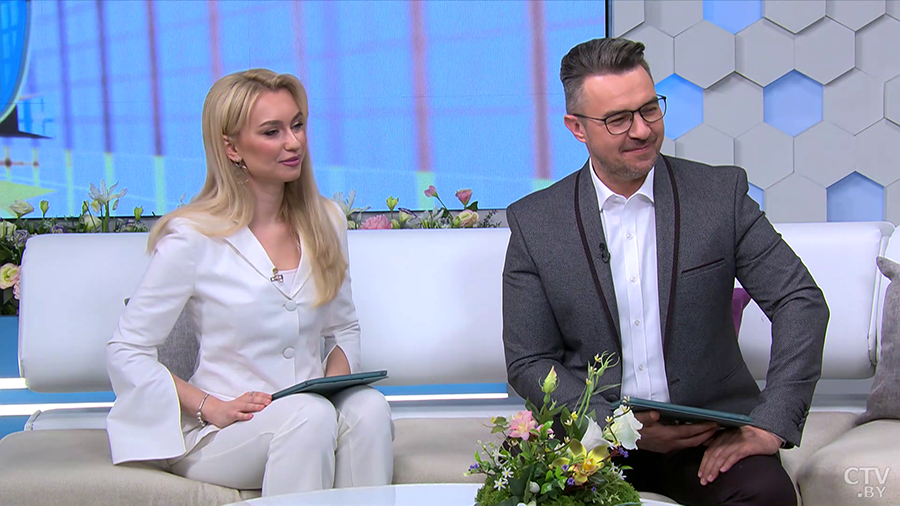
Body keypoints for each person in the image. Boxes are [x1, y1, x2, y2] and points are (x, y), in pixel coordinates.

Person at [502, 38, 828, 506]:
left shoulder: (719, 196)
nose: (641, 130)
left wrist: (771, 422)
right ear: (577, 127)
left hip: (707, 438)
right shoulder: (536, 223)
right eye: (618, 119)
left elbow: (800, 300)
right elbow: (529, 359)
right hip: (593, 440)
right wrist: (616, 428)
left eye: (650, 109)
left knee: (767, 495)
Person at [106, 69, 394, 496]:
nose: (293, 142)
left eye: (297, 125)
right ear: (231, 147)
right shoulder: (193, 236)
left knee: (368, 407)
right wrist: (209, 407)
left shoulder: (326, 220)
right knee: (308, 417)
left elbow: (344, 328)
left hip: (309, 411)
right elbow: (126, 350)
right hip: (226, 430)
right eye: (272, 132)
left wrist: (333, 387)